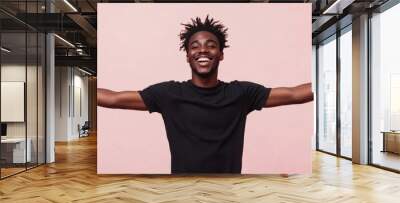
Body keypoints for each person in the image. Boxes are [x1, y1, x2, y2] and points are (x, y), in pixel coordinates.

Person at [97, 15, 313, 174]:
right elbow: (114, 98)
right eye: (195, 46)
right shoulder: (168, 94)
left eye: (211, 46)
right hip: (182, 191)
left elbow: (294, 94)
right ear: (187, 55)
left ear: (220, 54)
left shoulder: (241, 93)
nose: (202, 50)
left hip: (229, 192)